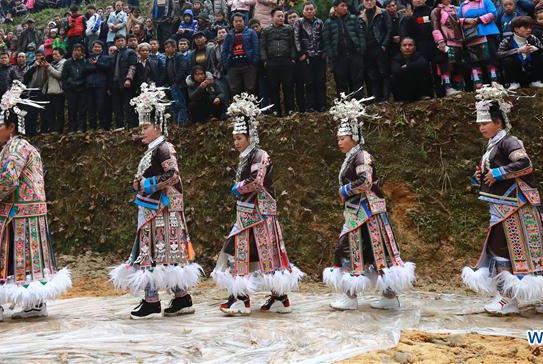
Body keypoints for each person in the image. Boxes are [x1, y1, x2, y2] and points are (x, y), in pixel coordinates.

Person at [461, 84, 543, 316]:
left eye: (484, 123)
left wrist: (497, 173)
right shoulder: (494, 145)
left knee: (507, 250)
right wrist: (481, 176)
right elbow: (494, 173)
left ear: (498, 123)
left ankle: (509, 299)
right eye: (479, 124)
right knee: (530, 251)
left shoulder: (509, 142)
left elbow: (524, 164)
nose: (481, 127)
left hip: (517, 205)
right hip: (506, 207)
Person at [0, 81, 69, 322]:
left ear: (11, 127)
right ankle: (34, 304)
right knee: (29, 258)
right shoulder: (23, 146)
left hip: (14, 212)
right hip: (27, 213)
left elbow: (9, 179)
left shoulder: (16, 147)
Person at [110, 83, 201, 319]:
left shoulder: (164, 147)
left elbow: (173, 176)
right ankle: (181, 298)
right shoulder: (153, 149)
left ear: (158, 126)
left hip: (163, 208)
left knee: (154, 253)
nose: (142, 130)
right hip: (154, 207)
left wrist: (147, 185)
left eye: (146, 126)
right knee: (161, 253)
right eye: (141, 126)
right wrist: (138, 184)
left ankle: (152, 302)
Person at [211, 93, 303, 315]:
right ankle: (267, 297)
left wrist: (238, 187)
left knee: (261, 254)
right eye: (234, 139)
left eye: (239, 138)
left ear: (250, 137)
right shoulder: (247, 157)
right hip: (247, 213)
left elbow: (256, 181)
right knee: (248, 253)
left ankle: (247, 298)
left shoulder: (260, 155)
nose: (236, 143)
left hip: (259, 214)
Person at [323, 94, 415, 311]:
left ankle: (352, 296)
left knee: (354, 249)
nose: (339, 142)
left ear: (354, 137)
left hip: (366, 211)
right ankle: (387, 296)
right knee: (374, 251)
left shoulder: (362, 156)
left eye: (342, 138)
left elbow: (366, 181)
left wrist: (344, 190)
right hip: (359, 211)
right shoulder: (353, 157)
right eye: (338, 138)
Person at [323, 0, 366, 96]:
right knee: (341, 81)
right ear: (335, 8)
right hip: (339, 57)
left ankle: (359, 103)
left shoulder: (353, 18)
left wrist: (361, 49)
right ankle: (344, 106)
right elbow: (326, 40)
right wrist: (332, 54)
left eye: (346, 6)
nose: (345, 8)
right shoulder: (328, 22)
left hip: (355, 54)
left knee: (357, 79)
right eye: (342, 6)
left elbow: (361, 35)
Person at [260, 8, 297, 116]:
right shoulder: (266, 30)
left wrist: (293, 58)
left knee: (288, 86)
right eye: (278, 16)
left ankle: (290, 109)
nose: (281, 18)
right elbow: (263, 46)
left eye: (282, 16)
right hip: (272, 61)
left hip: (286, 60)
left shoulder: (288, 29)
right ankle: (276, 110)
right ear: (272, 17)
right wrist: (265, 60)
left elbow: (292, 44)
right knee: (273, 86)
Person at [496, 17, 543, 89]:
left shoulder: (532, 38)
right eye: (526, 28)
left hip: (531, 69)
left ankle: (535, 81)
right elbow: (499, 54)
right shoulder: (507, 40)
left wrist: (536, 48)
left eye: (530, 28)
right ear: (516, 29)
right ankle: (514, 83)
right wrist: (518, 51)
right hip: (517, 70)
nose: (529, 30)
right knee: (507, 60)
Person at [293, 2, 327, 112]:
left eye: (311, 9)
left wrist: (324, 51)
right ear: (303, 11)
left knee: (320, 81)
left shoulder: (320, 22)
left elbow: (324, 37)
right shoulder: (299, 22)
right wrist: (300, 53)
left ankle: (322, 105)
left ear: (314, 10)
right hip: (306, 56)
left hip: (319, 55)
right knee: (309, 82)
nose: (309, 11)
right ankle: (310, 105)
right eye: (307, 9)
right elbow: (296, 38)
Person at [222, 13, 260, 97]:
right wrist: (226, 64)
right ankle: (237, 109)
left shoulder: (251, 32)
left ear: (244, 21)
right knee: (235, 91)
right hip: (233, 66)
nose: (238, 23)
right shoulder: (229, 35)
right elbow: (224, 51)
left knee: (250, 89)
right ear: (233, 23)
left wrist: (254, 62)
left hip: (248, 65)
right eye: (236, 21)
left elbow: (256, 47)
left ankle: (250, 109)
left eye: (240, 21)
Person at [390, 37, 434, 102]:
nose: (407, 47)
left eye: (410, 45)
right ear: (400, 48)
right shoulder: (396, 58)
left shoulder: (419, 56)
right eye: (404, 45)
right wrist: (413, 67)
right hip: (403, 91)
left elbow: (423, 64)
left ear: (414, 48)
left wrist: (407, 66)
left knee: (423, 72)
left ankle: (423, 95)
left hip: (418, 89)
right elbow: (396, 71)